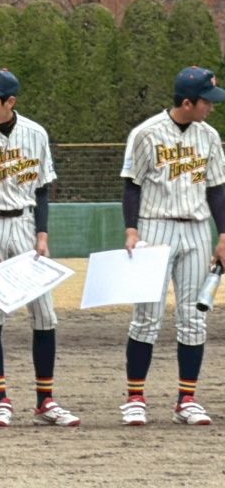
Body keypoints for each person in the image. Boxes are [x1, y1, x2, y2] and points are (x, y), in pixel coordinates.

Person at [0, 67, 79, 427]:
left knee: (44, 314)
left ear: (9, 102)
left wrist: (42, 234)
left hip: (25, 223)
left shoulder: (35, 133)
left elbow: (41, 188)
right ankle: (0, 401)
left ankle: (45, 401)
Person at [119, 65, 225, 426]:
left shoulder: (209, 136)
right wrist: (131, 230)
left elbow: (217, 189)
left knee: (194, 318)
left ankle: (186, 400)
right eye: (206, 101)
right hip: (155, 228)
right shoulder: (146, 134)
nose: (211, 107)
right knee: (147, 317)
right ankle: (135, 398)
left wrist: (223, 235)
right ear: (187, 102)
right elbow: (132, 185)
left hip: (196, 230)